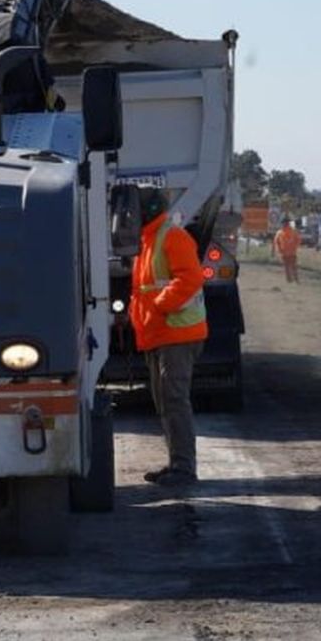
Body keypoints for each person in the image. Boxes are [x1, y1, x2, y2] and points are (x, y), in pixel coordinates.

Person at [130, 187, 209, 487]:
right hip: (160, 333)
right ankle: (177, 463)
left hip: (177, 332)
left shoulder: (171, 236)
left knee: (174, 400)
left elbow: (189, 279)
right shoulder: (149, 239)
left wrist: (158, 307)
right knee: (165, 401)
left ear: (146, 212)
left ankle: (184, 469)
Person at [272, 218, 301, 283]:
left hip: (290, 252)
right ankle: (290, 280)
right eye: (284, 223)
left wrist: (295, 247)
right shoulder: (280, 232)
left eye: (286, 223)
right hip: (285, 252)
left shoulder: (292, 231)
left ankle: (294, 279)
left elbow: (298, 240)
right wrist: (279, 250)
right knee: (288, 267)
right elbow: (276, 242)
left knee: (292, 266)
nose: (285, 224)